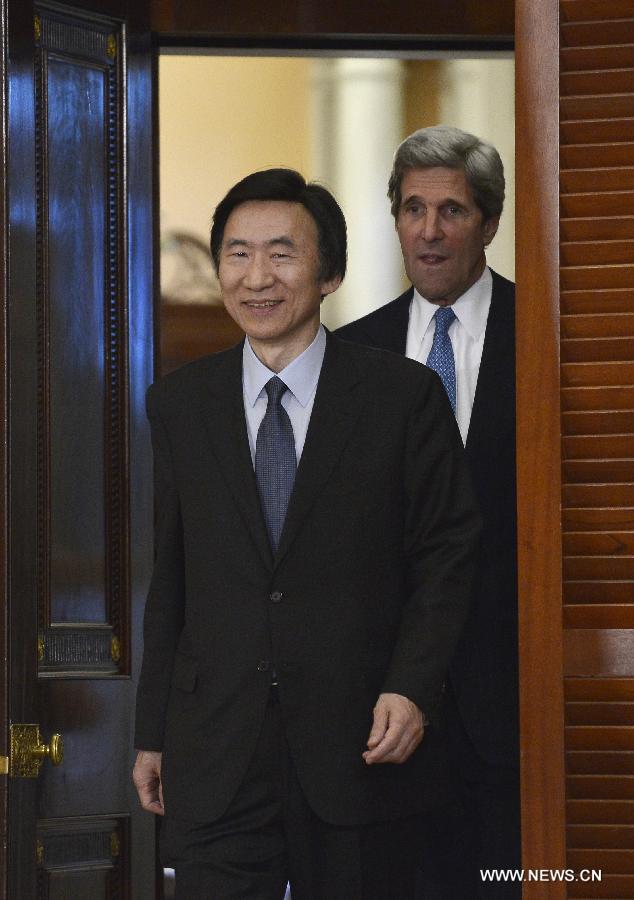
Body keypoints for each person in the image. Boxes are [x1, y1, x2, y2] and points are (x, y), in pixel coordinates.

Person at [132, 168, 480, 899]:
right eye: (236, 253)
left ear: (331, 274)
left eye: (282, 254)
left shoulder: (402, 398)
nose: (257, 276)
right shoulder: (179, 405)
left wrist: (413, 688)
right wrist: (152, 731)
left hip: (361, 750)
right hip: (218, 754)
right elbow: (173, 576)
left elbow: (447, 556)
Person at [337, 125, 519, 897]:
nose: (430, 231)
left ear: (489, 223)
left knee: (517, 881)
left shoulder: (548, 334)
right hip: (379, 710)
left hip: (508, 708)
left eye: (451, 210)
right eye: (413, 209)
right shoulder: (351, 354)